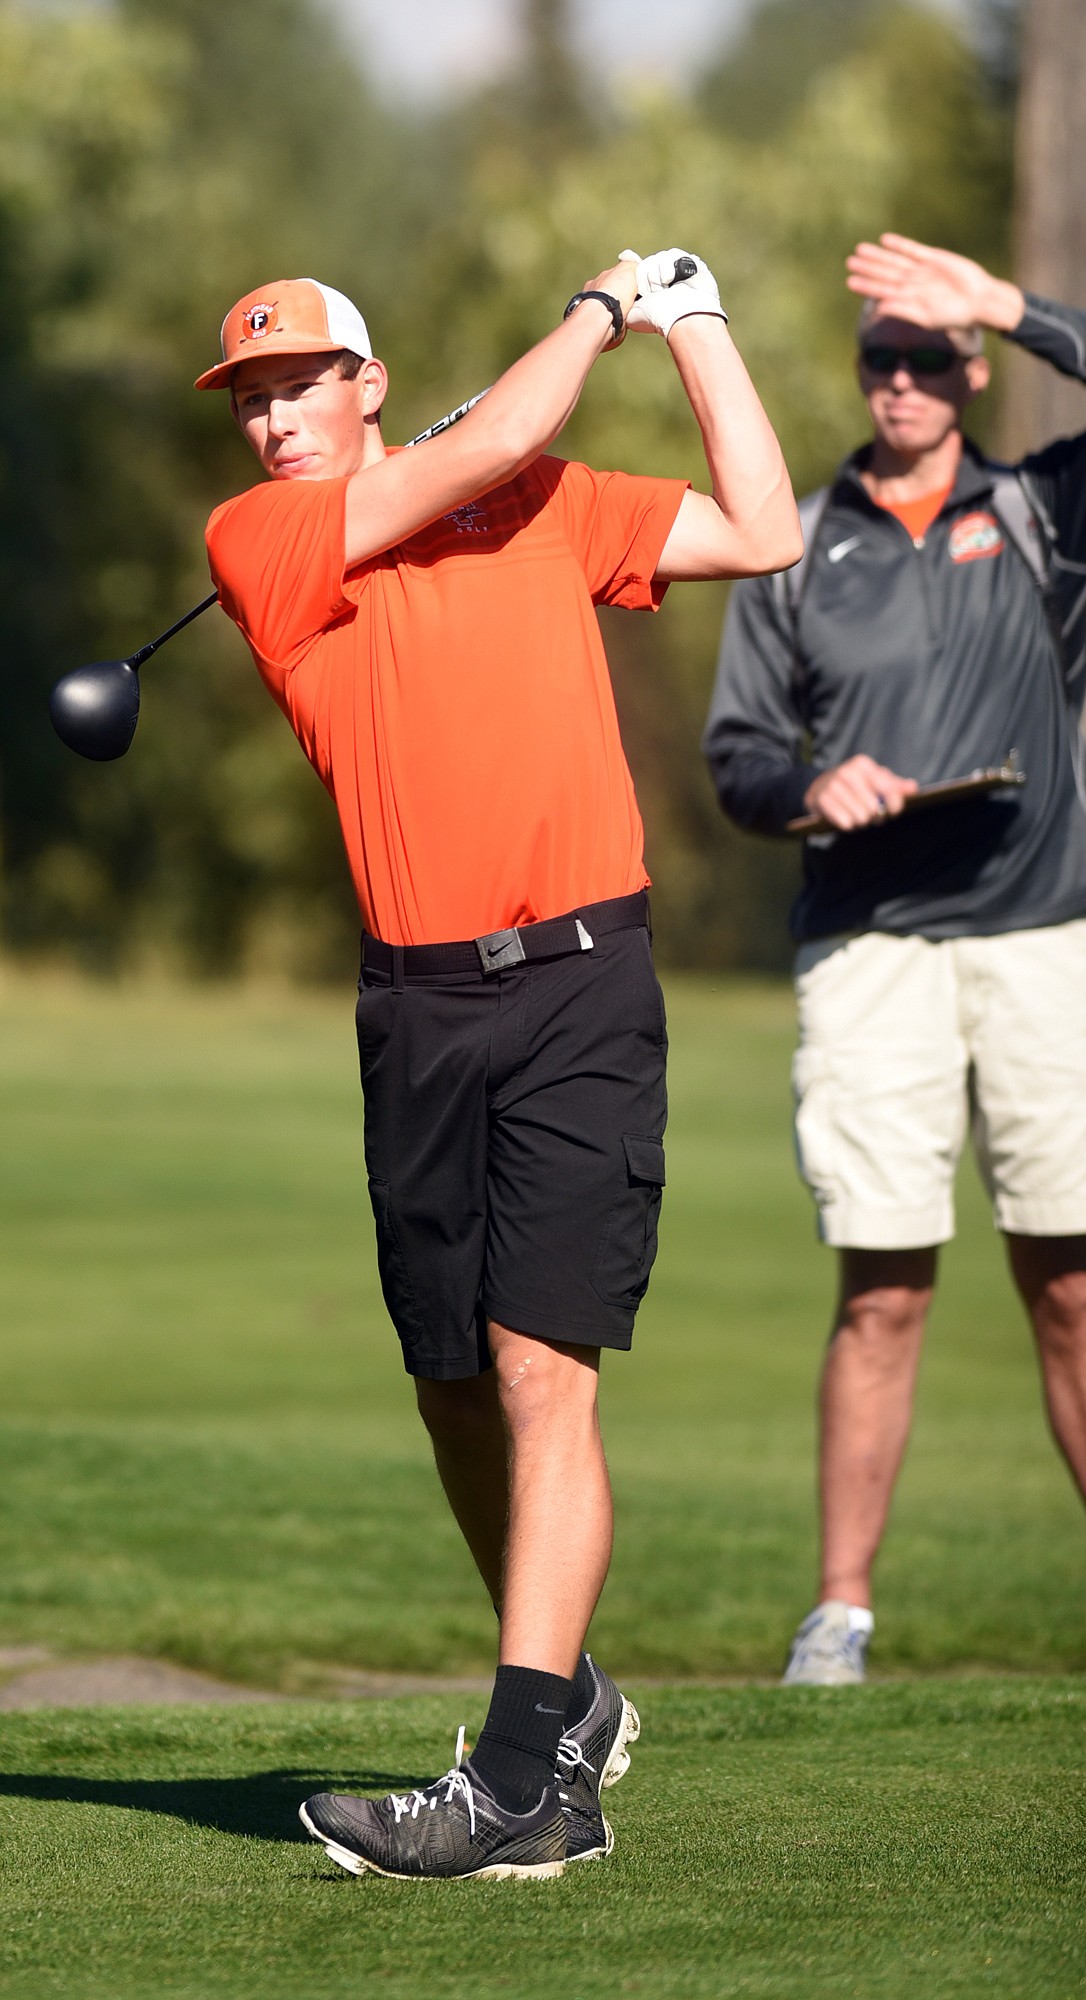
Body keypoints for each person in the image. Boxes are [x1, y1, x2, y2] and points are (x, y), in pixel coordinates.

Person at [196, 250, 800, 1873]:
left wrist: (691, 328)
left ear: (366, 382)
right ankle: (567, 1694)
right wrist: (591, 313)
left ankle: (524, 1785)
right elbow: (467, 459)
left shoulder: (549, 500)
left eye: (298, 385)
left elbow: (764, 528)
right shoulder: (260, 541)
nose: (271, 422)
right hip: (416, 1011)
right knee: (451, 1384)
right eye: (250, 399)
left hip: (579, 988)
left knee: (542, 1378)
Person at [704, 232, 1086, 1688]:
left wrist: (1009, 300)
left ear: (972, 370)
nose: (906, 380)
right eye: (883, 357)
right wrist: (814, 786)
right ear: (859, 373)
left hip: (1042, 933)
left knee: (1065, 1285)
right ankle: (838, 1617)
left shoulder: (1042, 507)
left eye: (933, 355)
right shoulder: (798, 542)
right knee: (882, 1286)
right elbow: (736, 754)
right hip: (868, 950)